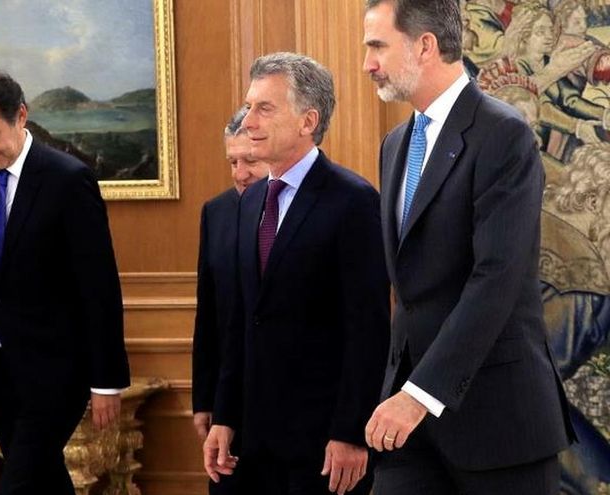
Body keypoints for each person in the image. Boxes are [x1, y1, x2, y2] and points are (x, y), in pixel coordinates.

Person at [361, 1, 575, 493]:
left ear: (425, 45)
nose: (367, 63)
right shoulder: (395, 144)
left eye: (377, 46)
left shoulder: (504, 135)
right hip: (409, 432)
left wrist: (419, 395)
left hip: (499, 425)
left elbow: (495, 280)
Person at [204, 52, 390, 495]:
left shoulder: (354, 201)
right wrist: (223, 414)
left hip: (322, 446)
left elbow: (368, 330)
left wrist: (350, 433)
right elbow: (240, 323)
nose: (249, 120)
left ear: (308, 120)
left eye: (264, 108)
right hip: (251, 441)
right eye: (249, 107)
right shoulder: (249, 203)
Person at [0, 70, 130, 494]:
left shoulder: (67, 179)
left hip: (57, 374)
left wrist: (106, 381)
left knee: (18, 485)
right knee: (44, 484)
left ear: (21, 116)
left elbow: (99, 286)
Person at [192, 106, 269, 495]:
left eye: (250, 161)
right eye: (233, 161)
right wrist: (203, 400)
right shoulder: (217, 212)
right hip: (228, 401)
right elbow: (209, 313)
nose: (241, 174)